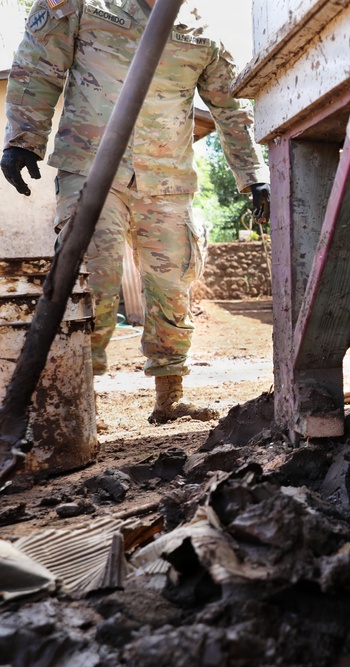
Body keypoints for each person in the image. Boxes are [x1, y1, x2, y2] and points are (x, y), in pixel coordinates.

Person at [2, 0, 270, 424]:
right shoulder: (83, 5)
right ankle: (79, 405)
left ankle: (170, 396)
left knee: (173, 285)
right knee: (90, 278)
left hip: (167, 177)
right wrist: (22, 138)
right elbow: (38, 64)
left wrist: (252, 173)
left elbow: (230, 107)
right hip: (92, 169)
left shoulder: (203, 30)